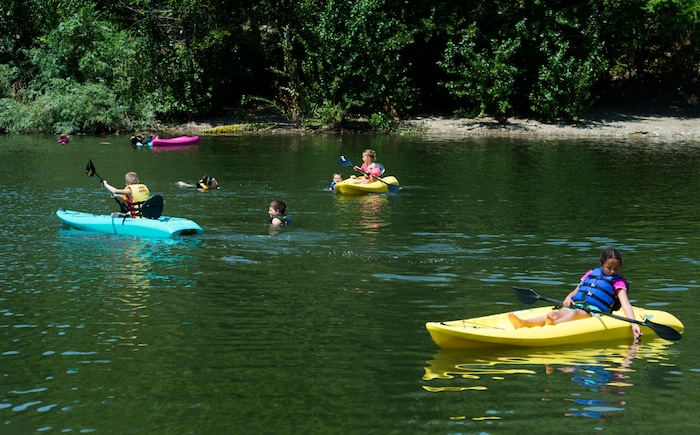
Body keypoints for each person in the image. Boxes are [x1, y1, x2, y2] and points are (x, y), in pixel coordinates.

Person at [508, 248, 642, 339]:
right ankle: (524, 323)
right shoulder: (591, 273)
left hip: (595, 310)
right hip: (577, 304)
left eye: (616, 268)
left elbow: (625, 304)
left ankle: (552, 327)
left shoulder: (618, 282)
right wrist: (568, 298)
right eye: (609, 268)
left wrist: (634, 324)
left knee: (574, 314)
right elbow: (578, 289)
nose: (612, 271)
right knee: (554, 314)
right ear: (601, 264)